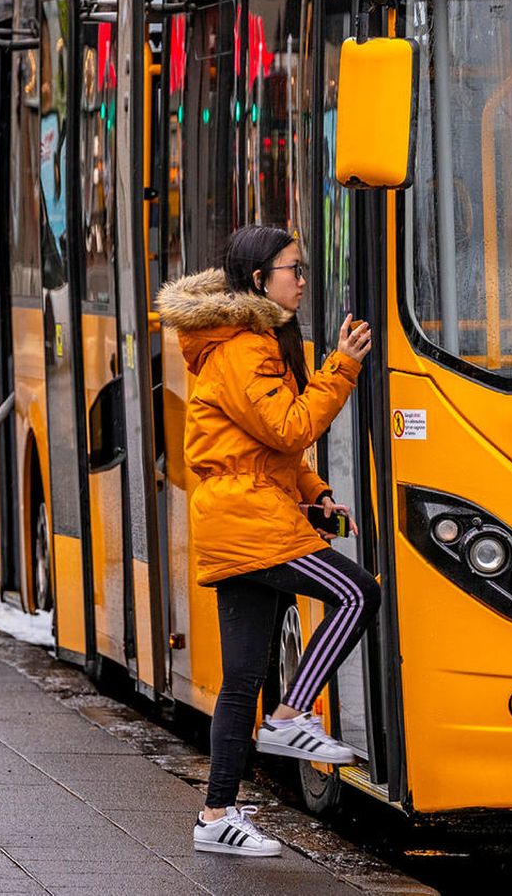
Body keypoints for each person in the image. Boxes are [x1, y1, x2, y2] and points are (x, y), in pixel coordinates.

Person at [157, 225, 376, 857]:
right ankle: (292, 716)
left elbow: (261, 446)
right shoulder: (245, 348)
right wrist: (343, 368)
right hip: (250, 521)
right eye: (292, 269)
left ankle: (216, 815)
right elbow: (289, 426)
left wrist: (313, 491)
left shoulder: (242, 343)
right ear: (259, 280)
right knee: (358, 595)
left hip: (245, 512)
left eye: (302, 268)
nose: (302, 279)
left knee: (241, 677)